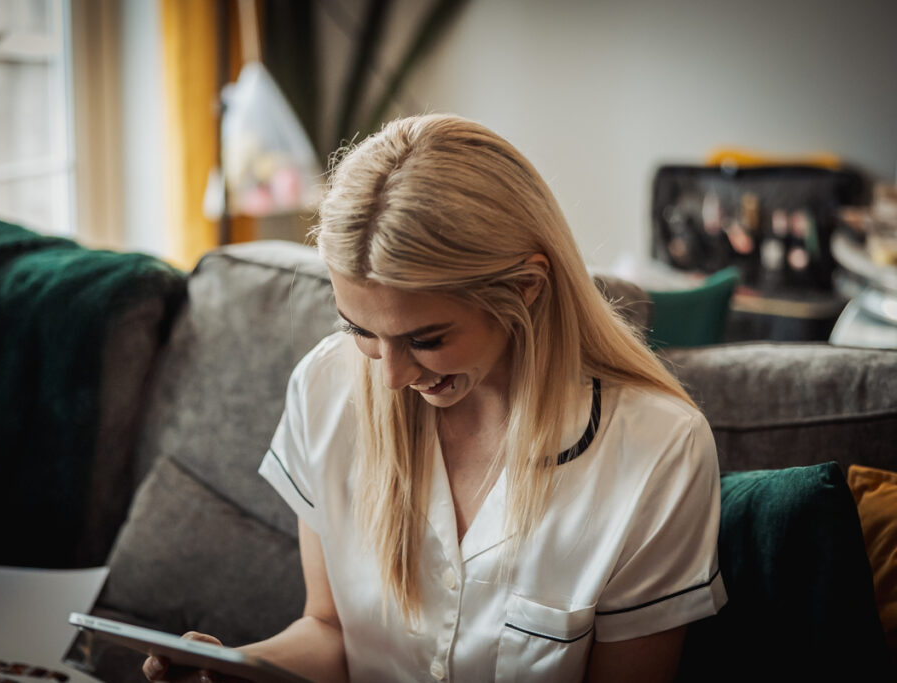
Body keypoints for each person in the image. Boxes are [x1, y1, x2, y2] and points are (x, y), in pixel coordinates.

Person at [144, 114, 726, 683]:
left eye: (426, 339)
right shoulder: (324, 387)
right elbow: (329, 632)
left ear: (526, 290)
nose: (391, 375)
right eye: (361, 330)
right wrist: (239, 668)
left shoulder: (659, 450)